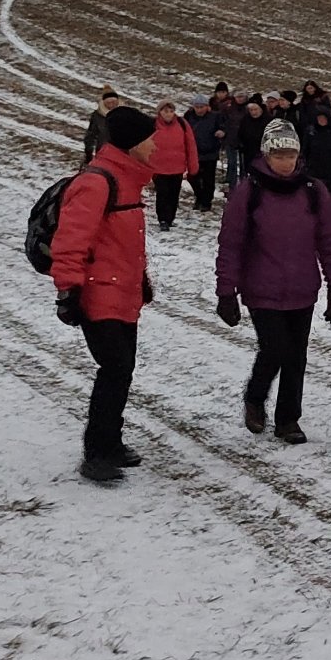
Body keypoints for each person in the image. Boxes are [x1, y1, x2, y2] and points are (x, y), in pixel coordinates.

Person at [215, 123, 331, 444]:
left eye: (291, 155)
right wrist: (226, 292)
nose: (286, 162)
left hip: (303, 288)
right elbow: (231, 245)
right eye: (279, 155)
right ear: (266, 155)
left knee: (296, 357)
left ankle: (288, 420)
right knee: (275, 349)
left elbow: (328, 242)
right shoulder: (249, 191)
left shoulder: (314, 191)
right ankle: (255, 397)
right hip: (261, 288)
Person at [50, 106, 159, 482]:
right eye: (150, 138)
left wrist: (140, 280)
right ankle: (96, 453)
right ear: (132, 143)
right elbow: (71, 241)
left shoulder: (127, 181)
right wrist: (68, 291)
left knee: (122, 369)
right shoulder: (97, 183)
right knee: (114, 368)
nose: (155, 145)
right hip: (98, 293)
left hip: (123, 292)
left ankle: (111, 442)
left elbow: (120, 242)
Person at [144, 101, 199, 230]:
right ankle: (163, 219)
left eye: (171, 111)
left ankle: (170, 218)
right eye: (165, 111)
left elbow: (190, 145)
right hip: (158, 168)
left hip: (177, 167)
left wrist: (193, 166)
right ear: (159, 112)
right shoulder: (152, 125)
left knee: (174, 195)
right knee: (162, 194)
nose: (168, 114)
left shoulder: (182, 124)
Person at [300, 105, 331, 198]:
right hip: (314, 171)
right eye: (319, 118)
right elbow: (305, 150)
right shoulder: (310, 132)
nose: (321, 120)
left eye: (324, 118)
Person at [185, 95, 222, 210]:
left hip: (210, 153)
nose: (199, 110)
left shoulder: (215, 117)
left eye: (202, 107)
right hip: (194, 153)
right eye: (197, 107)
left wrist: (221, 132)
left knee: (208, 180)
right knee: (192, 177)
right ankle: (199, 197)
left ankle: (206, 202)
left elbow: (223, 127)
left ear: (207, 107)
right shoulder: (188, 116)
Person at [216, 85, 248, 188]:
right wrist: (223, 132)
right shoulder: (228, 107)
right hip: (230, 138)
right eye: (238, 97)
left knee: (244, 164)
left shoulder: (248, 108)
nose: (240, 99)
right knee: (232, 162)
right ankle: (231, 183)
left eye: (242, 97)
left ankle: (244, 184)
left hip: (244, 139)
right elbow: (223, 121)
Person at [82, 88, 122, 163]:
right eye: (108, 102)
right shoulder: (97, 116)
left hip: (122, 154)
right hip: (103, 153)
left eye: (113, 102)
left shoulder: (125, 114)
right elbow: (91, 136)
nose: (111, 105)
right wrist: (88, 155)